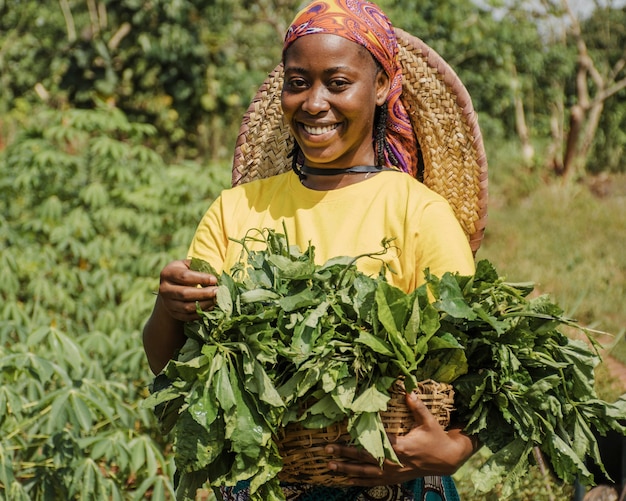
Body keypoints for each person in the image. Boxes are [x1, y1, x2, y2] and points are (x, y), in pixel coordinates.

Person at [143, 0, 487, 499]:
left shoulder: (418, 213)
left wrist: (458, 448)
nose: (313, 103)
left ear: (383, 86)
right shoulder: (236, 210)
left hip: (390, 483)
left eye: (338, 83)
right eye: (298, 82)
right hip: (261, 483)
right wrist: (168, 307)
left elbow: (478, 365)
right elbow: (172, 365)